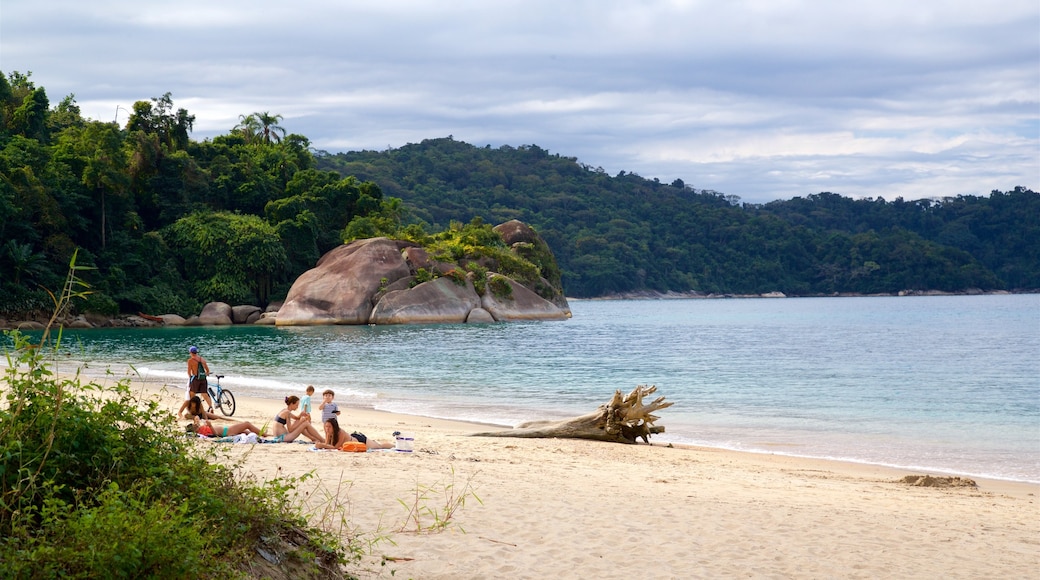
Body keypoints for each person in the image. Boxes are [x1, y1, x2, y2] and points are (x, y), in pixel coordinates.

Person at [314, 417, 395, 450]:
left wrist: (322, 445)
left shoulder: (340, 432)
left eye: (329, 427)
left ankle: (394, 446)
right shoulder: (328, 432)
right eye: (326, 426)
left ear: (334, 427)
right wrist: (322, 445)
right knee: (377, 445)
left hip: (359, 440)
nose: (327, 429)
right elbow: (327, 444)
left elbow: (335, 447)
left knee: (379, 447)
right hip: (352, 441)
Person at [186, 345, 214, 412]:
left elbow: (189, 372)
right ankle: (211, 407)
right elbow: (207, 370)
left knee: (192, 393)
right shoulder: (202, 359)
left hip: (196, 379)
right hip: (203, 378)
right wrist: (206, 374)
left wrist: (190, 379)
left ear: (191, 353)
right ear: (196, 352)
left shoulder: (190, 361)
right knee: (205, 394)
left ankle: (193, 408)